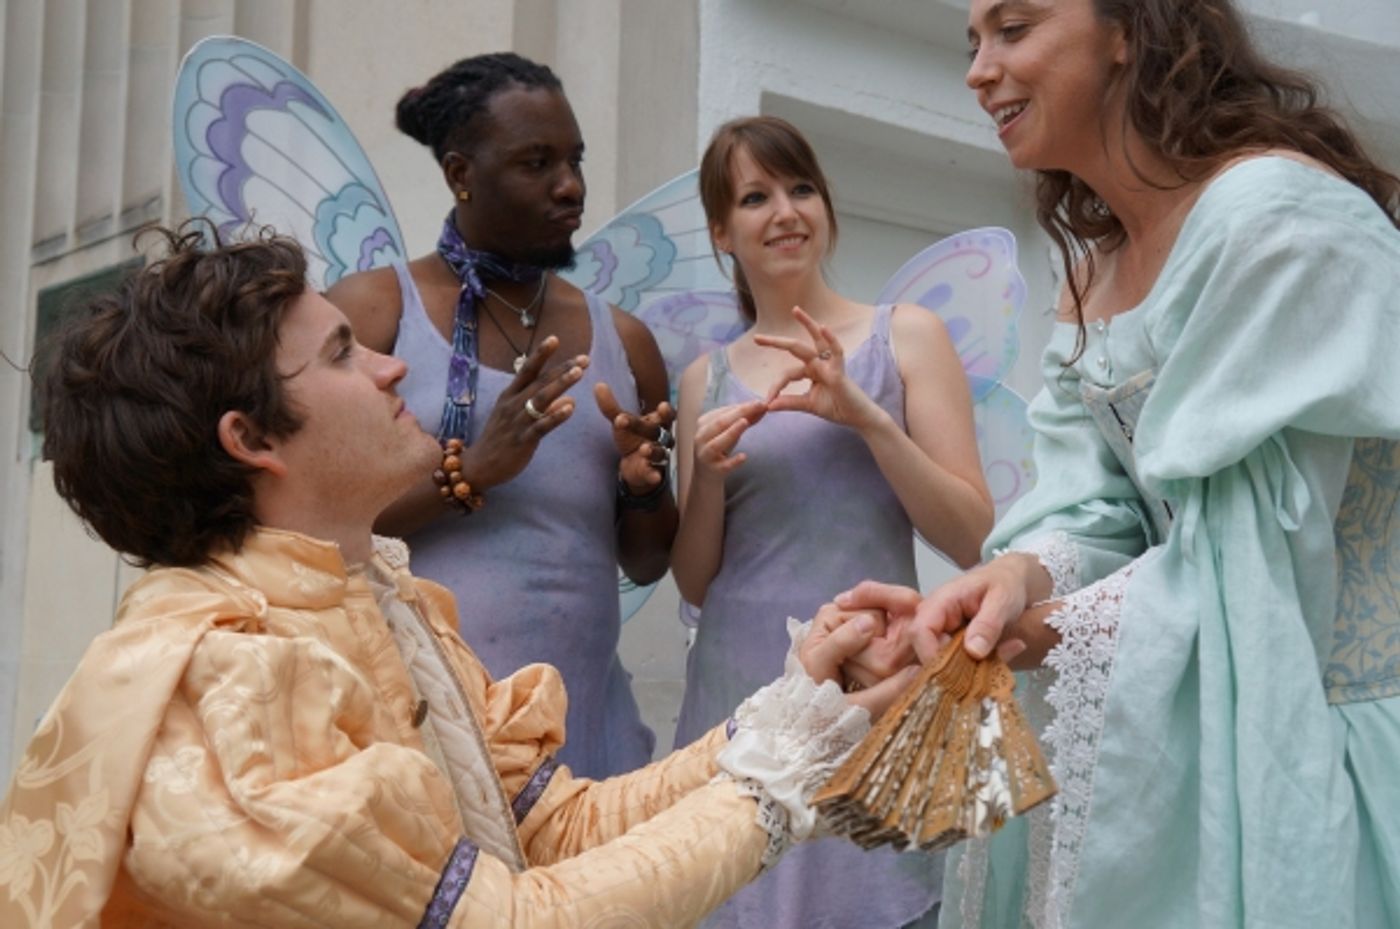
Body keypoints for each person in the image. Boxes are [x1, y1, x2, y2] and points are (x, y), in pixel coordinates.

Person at [0, 222, 922, 929]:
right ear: (251, 439)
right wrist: (779, 774)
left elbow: (549, 830)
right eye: (339, 354)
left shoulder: (381, 598)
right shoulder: (226, 682)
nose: (392, 363)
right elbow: (508, 918)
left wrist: (794, 708)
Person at [841, 1, 1400, 926]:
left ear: (1129, 29)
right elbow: (1095, 506)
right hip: (1198, 708)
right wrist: (1010, 581)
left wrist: (1031, 634)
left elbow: (1255, 567)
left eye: (1013, 29)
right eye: (971, 41)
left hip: (1315, 737)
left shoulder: (1273, 221)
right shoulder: (1092, 272)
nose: (979, 70)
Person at [668, 115, 995, 929]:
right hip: (737, 692)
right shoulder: (703, 379)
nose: (785, 210)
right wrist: (705, 473)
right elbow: (695, 580)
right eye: (755, 196)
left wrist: (867, 417)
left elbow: (968, 534)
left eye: (800, 187)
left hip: (873, 688)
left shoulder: (905, 336)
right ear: (722, 231)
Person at [325, 53, 675, 778]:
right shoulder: (374, 312)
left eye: (575, 159)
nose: (570, 186)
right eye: (536, 162)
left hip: (587, 745)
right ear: (461, 174)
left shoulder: (627, 342)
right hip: (423, 745)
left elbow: (645, 559)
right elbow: (315, 520)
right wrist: (474, 470)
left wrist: (643, 486)